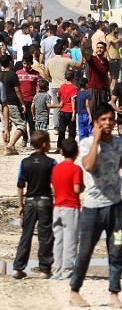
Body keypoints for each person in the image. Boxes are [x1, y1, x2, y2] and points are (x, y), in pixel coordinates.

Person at [69, 103, 122, 309]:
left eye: (110, 119)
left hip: (116, 210)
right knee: (85, 251)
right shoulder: (85, 144)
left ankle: (114, 293)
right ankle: (75, 291)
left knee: (117, 249)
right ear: (95, 123)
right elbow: (89, 166)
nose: (107, 123)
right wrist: (96, 140)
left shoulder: (120, 143)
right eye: (103, 120)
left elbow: (117, 167)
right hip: (93, 210)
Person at [12, 130, 56, 280]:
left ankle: (18, 268)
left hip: (30, 202)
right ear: (44, 145)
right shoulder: (51, 162)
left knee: (26, 235)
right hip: (45, 201)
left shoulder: (25, 162)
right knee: (45, 236)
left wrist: (20, 205)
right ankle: (45, 269)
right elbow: (55, 183)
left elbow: (20, 184)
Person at [50, 138, 84, 280]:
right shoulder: (76, 169)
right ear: (77, 152)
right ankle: (68, 271)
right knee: (71, 239)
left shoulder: (56, 168)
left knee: (58, 239)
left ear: (62, 152)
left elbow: (52, 186)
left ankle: (57, 270)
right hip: (71, 206)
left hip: (57, 207)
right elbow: (77, 188)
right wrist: (83, 187)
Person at [44, 41, 81, 131]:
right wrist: (82, 54)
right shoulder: (66, 60)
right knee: (68, 105)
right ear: (62, 50)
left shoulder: (49, 62)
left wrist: (51, 80)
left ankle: (57, 126)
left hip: (54, 86)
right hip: (65, 86)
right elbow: (79, 65)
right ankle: (68, 125)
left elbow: (46, 74)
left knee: (57, 106)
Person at [0, 54, 27, 155]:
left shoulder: (0, 74)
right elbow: (17, 90)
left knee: (6, 126)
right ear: (10, 62)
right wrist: (22, 103)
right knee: (21, 124)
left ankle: (7, 149)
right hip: (12, 103)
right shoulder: (12, 74)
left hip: (1, 104)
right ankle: (10, 145)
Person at [17, 54, 41, 147]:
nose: (25, 66)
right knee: (22, 122)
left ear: (31, 63)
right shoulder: (18, 73)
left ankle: (32, 140)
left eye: (27, 64)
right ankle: (24, 138)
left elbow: (38, 88)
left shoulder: (36, 74)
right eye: (24, 63)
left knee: (32, 122)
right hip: (21, 102)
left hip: (32, 102)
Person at [81, 38, 110, 114]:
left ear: (105, 50)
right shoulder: (92, 59)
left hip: (103, 90)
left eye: (101, 48)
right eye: (98, 47)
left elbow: (106, 77)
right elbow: (84, 53)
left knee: (102, 112)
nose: (99, 49)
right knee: (92, 111)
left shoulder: (106, 62)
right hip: (92, 89)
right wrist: (83, 44)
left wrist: (109, 90)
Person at [56, 70, 78, 152]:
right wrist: (73, 113)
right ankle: (70, 147)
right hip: (69, 111)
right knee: (72, 131)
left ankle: (59, 147)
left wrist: (61, 102)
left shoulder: (62, 86)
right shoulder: (74, 88)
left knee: (61, 130)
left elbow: (58, 95)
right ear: (73, 77)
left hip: (62, 110)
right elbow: (73, 100)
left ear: (65, 77)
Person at [106, 23, 122, 89]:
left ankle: (114, 90)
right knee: (110, 76)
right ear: (113, 29)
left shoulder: (115, 37)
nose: (117, 29)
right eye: (116, 28)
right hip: (111, 59)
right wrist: (121, 37)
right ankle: (107, 89)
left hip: (117, 59)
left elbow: (119, 43)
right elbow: (114, 42)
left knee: (116, 76)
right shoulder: (109, 36)